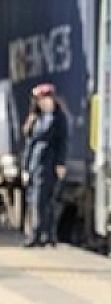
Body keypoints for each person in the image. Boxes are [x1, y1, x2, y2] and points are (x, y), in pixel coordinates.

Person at [20, 83, 69, 248]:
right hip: (35, 163)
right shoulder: (36, 119)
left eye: (46, 99)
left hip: (50, 162)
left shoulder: (58, 118)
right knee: (36, 199)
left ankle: (40, 234)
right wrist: (25, 167)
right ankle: (45, 235)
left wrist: (61, 163)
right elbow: (29, 145)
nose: (43, 103)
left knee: (44, 200)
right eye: (41, 100)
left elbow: (63, 142)